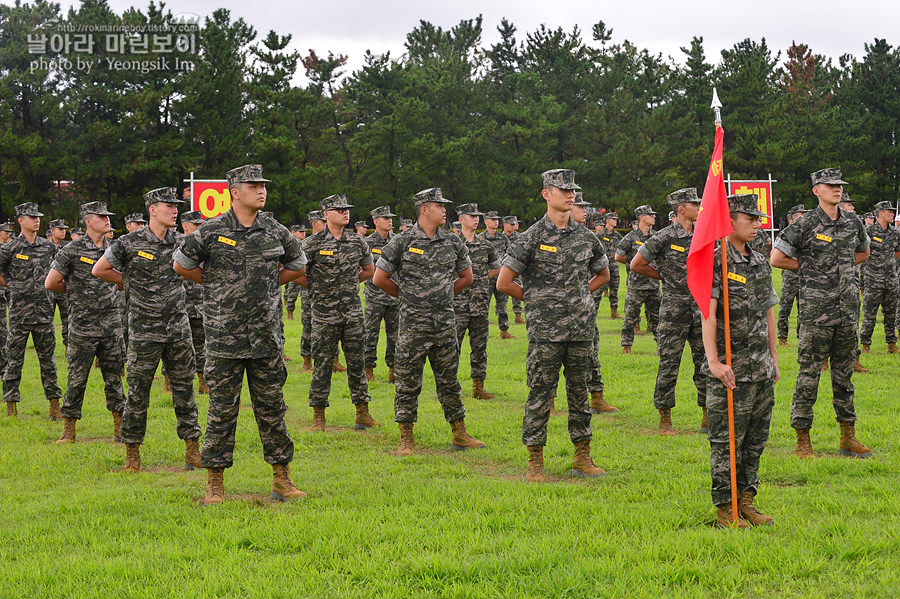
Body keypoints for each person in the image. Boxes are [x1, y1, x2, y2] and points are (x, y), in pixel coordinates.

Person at [174, 164, 308, 504]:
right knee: (221, 411)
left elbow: (298, 264)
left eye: (263, 184)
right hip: (223, 339)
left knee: (272, 410)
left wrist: (267, 286)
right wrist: (218, 287)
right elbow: (181, 265)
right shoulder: (211, 231)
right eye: (253, 185)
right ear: (234, 192)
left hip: (265, 338)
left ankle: (282, 479)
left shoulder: (274, 230)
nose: (261, 190)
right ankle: (214, 484)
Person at [497, 169, 609, 482]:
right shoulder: (531, 237)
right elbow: (505, 282)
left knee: (580, 394)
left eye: (573, 190)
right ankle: (535, 459)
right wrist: (537, 301)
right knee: (540, 394)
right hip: (545, 333)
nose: (571, 195)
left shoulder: (586, 237)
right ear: (547, 194)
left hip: (580, 331)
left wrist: (578, 297)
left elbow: (604, 274)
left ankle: (582, 455)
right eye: (563, 190)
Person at [94, 187, 201, 473]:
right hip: (144, 329)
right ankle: (132, 454)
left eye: (176, 205)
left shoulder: (183, 241)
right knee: (138, 393)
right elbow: (100, 269)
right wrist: (128, 284)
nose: (175, 210)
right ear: (152, 209)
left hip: (178, 327)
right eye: (169, 205)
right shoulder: (129, 243)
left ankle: (193, 450)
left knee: (184, 390)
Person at [373, 187, 485, 456]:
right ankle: (406, 437)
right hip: (413, 325)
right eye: (439, 205)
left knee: (449, 380)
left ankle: (459, 432)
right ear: (424, 209)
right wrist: (410, 298)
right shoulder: (401, 241)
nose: (445, 209)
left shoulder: (453, 241)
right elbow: (379, 278)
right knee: (408, 381)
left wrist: (443, 295)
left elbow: (467, 277)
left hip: (445, 323)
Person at [771, 168, 872, 459]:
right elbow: (777, 257)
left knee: (844, 377)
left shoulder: (852, 221)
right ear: (817, 190)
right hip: (816, 314)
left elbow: (863, 253)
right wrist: (812, 269)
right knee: (809, 376)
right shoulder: (805, 224)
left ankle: (847, 437)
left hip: (847, 312)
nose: (837, 190)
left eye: (839, 186)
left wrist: (840, 269)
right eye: (830, 186)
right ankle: (803, 439)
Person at [702, 193, 778, 529]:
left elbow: (768, 313)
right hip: (731, 371)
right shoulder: (716, 261)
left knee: (754, 442)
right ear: (729, 219)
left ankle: (746, 502)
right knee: (726, 444)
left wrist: (773, 359)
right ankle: (725, 509)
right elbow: (708, 314)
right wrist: (714, 363)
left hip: (759, 368)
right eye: (750, 218)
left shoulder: (759, 261)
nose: (757, 224)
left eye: (758, 218)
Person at [46, 202, 126, 443]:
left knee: (114, 377)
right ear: (88, 221)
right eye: (102, 217)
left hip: (111, 324)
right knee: (77, 379)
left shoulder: (115, 248)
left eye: (108, 216)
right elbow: (51, 282)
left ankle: (120, 427)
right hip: (83, 326)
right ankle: (69, 430)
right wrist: (73, 291)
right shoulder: (72, 249)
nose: (107, 220)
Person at [299, 194, 378, 431]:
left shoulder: (356, 242)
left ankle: (362, 413)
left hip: (352, 313)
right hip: (324, 314)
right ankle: (319, 416)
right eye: (339, 209)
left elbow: (369, 269)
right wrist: (318, 288)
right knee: (322, 365)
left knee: (357, 363)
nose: (346, 213)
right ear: (326, 214)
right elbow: (299, 273)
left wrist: (351, 283)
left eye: (347, 209)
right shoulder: (312, 243)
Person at [632, 188, 707, 435]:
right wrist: (663, 276)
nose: (699, 206)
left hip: (700, 308)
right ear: (681, 209)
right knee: (669, 363)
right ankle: (665, 418)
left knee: (704, 362)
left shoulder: (704, 235)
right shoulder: (663, 237)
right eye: (694, 203)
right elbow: (636, 264)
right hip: (674, 309)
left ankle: (707, 414)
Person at [0, 203, 62, 419]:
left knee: (48, 362)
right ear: (20, 220)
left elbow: (61, 269)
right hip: (19, 314)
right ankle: (11, 405)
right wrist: (12, 285)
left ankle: (54, 405)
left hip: (44, 313)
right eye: (31, 217)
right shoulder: (10, 248)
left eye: (38, 217)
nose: (36, 220)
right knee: (14, 360)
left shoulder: (49, 247)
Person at [571, 194, 618, 414]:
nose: (584, 211)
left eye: (585, 207)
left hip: (582, 311)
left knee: (591, 353)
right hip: (550, 315)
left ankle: (597, 398)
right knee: (546, 360)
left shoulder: (589, 238)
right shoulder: (537, 236)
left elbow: (603, 274)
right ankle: (548, 403)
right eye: (580, 206)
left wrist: (580, 293)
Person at [454, 203, 501, 400]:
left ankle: (478, 387)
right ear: (461, 219)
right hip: (457, 305)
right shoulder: (452, 244)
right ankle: (451, 387)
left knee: (479, 348)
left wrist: (481, 278)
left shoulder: (486, 245)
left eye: (477, 215)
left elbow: (497, 268)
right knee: (452, 347)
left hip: (480, 304)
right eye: (470, 215)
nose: (475, 218)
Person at [300, 211, 346, 374]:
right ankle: (307, 361)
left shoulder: (337, 242)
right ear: (314, 223)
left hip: (334, 296)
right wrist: (314, 287)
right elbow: (297, 271)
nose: (325, 224)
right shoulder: (307, 243)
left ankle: (335, 359)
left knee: (335, 326)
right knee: (309, 326)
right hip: (310, 294)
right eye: (322, 222)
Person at [615, 205, 660, 353]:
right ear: (642, 217)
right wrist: (633, 264)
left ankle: (661, 346)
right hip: (636, 284)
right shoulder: (631, 237)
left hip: (653, 284)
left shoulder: (656, 236)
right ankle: (626, 347)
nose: (653, 217)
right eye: (650, 215)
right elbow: (618, 255)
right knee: (630, 316)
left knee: (657, 318)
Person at [364, 205, 399, 383]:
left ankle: (393, 370)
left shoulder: (397, 241)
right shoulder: (368, 243)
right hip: (374, 297)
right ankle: (368, 368)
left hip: (394, 297)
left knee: (395, 335)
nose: (390, 220)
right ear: (376, 221)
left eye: (390, 217)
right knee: (370, 334)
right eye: (385, 218)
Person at [859, 201, 900, 354]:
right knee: (870, 314)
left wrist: (887, 262)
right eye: (889, 211)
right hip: (873, 280)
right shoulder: (868, 232)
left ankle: (891, 344)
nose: (892, 214)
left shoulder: (895, 233)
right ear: (880, 214)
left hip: (891, 279)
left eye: (892, 211)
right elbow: (862, 253)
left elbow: (898, 251)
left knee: (891, 313)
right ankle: (865, 345)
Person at [180, 210, 209, 394]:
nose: (199, 228)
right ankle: (172, 383)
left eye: (201, 224)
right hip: (179, 306)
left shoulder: (205, 246)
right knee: (179, 348)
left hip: (200, 305)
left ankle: (202, 381)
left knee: (201, 346)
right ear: (185, 225)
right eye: (196, 225)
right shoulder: (176, 245)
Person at [776, 205, 808, 345]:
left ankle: (801, 336)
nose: (802, 218)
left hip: (803, 276)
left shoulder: (807, 233)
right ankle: (783, 337)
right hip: (790, 276)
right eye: (800, 215)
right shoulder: (786, 234)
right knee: (785, 307)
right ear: (791, 219)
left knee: (804, 308)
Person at [479, 211, 513, 338]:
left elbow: (510, 254)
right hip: (486, 277)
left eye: (497, 219)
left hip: (501, 277)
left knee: (502, 305)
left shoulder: (503, 238)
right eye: (492, 219)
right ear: (486, 221)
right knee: (483, 306)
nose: (496, 222)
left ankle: (504, 330)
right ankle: (482, 332)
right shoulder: (480, 239)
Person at [47, 218, 70, 348]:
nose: (63, 232)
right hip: (48, 290)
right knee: (47, 320)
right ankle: (49, 347)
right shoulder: (44, 247)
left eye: (64, 229)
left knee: (67, 318)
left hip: (62, 289)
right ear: (52, 231)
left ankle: (68, 346)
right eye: (60, 229)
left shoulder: (67, 247)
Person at [596, 212, 623, 319]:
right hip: (602, 267)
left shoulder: (617, 236)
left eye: (615, 219)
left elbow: (623, 247)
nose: (615, 221)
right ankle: (595, 312)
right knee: (598, 291)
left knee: (614, 290)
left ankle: (614, 312)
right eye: (613, 219)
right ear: (607, 220)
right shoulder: (599, 235)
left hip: (614, 266)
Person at [502, 216, 526, 324]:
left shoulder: (519, 237)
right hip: (500, 267)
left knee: (515, 286)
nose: (514, 226)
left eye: (514, 224)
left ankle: (518, 314)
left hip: (514, 267)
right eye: (511, 224)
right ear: (505, 225)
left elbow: (522, 252)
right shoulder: (500, 238)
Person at [283, 225, 305, 320]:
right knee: (292, 292)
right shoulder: (289, 243)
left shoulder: (306, 243)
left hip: (304, 272)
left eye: (304, 231)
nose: (303, 233)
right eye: (300, 232)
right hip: (294, 272)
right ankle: (289, 313)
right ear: (293, 232)